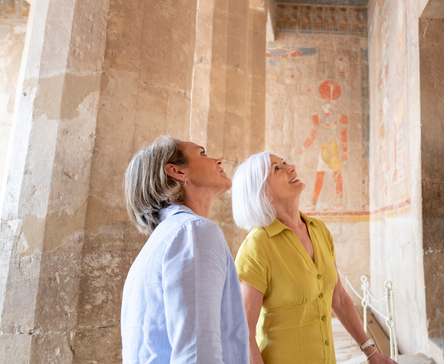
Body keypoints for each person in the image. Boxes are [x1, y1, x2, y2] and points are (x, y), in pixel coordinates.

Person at [232, 151, 396, 364]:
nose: (291, 167)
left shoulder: (319, 230)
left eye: (285, 162)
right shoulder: (257, 246)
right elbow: (244, 333)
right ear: (263, 192)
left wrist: (371, 352)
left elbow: (339, 298)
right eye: (277, 168)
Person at [121, 136, 248, 363]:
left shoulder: (167, 236)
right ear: (178, 172)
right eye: (202, 153)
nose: (218, 160)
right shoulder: (193, 231)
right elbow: (198, 352)